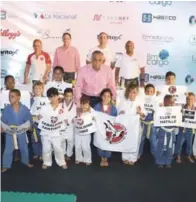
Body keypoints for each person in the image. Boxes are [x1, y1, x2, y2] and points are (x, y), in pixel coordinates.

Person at [1, 89, 33, 172]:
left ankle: (26, 161)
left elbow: (29, 119)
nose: (10, 98)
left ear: (18, 97)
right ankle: (6, 165)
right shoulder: (7, 108)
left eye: (12, 96)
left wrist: (30, 126)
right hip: (9, 132)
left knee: (24, 147)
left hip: (21, 130)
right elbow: (3, 120)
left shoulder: (24, 108)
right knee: (8, 148)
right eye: (9, 96)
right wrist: (1, 127)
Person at [118, 84, 147, 165]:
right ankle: (125, 157)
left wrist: (140, 112)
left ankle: (133, 158)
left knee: (135, 142)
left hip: (136, 127)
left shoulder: (140, 102)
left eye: (134, 92)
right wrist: (121, 112)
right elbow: (119, 112)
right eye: (130, 92)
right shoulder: (123, 102)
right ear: (127, 92)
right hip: (126, 127)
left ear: (137, 93)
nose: (132, 94)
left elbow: (144, 115)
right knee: (125, 141)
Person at [39, 87, 67, 169]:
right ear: (48, 98)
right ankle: (46, 162)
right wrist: (39, 117)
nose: (53, 98)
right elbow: (40, 117)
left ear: (58, 96)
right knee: (46, 148)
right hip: (46, 131)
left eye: (54, 96)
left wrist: (64, 123)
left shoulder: (62, 108)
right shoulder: (44, 108)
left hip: (57, 131)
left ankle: (61, 162)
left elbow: (65, 119)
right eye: (51, 97)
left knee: (58, 148)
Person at [94, 88, 117, 167]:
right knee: (100, 142)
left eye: (108, 96)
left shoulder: (113, 108)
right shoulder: (97, 106)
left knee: (108, 143)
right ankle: (101, 157)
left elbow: (115, 119)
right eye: (104, 96)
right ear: (101, 97)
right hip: (99, 129)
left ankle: (106, 158)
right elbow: (94, 117)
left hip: (109, 129)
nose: (106, 98)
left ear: (110, 97)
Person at [155, 95, 179, 168]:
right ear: (164, 102)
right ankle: (160, 161)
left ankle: (168, 161)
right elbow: (156, 120)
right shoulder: (160, 110)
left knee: (170, 148)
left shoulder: (176, 111)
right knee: (160, 147)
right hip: (162, 131)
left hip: (171, 132)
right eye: (168, 102)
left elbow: (178, 122)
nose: (170, 103)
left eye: (172, 102)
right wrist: (159, 109)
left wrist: (178, 124)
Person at [73, 96, 96, 165]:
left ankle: (88, 159)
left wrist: (94, 119)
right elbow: (74, 119)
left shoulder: (92, 111)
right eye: (82, 104)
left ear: (89, 104)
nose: (84, 106)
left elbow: (95, 119)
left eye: (86, 104)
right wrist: (74, 119)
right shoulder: (78, 110)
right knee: (77, 146)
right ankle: (78, 158)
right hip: (78, 132)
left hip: (86, 132)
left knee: (86, 146)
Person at [30, 81, 49, 160]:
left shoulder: (46, 100)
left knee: (43, 139)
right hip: (33, 122)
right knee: (34, 138)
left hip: (43, 123)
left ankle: (42, 153)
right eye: (35, 88)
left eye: (39, 88)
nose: (37, 90)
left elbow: (49, 110)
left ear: (42, 89)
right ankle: (36, 152)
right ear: (33, 90)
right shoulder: (30, 100)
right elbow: (28, 111)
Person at [175, 93, 195, 163]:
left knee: (189, 143)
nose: (190, 100)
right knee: (179, 143)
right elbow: (177, 116)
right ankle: (178, 156)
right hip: (182, 128)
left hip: (190, 129)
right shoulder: (182, 108)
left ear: (194, 100)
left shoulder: (195, 109)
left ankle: (188, 155)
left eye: (191, 99)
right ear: (186, 100)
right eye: (188, 99)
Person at [139, 84, 158, 159]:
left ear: (153, 93)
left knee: (153, 141)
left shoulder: (156, 101)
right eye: (147, 91)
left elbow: (158, 113)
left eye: (151, 92)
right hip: (142, 123)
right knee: (140, 140)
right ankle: (139, 153)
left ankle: (155, 154)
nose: (149, 93)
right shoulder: (141, 100)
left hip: (151, 124)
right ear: (144, 92)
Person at [61, 88, 76, 160]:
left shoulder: (75, 105)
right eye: (66, 96)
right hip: (62, 124)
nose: (68, 98)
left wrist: (73, 119)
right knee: (62, 140)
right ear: (64, 96)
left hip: (71, 125)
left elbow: (77, 115)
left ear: (72, 96)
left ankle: (69, 154)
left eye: (70, 96)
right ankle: (63, 153)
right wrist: (63, 119)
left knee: (70, 140)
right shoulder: (60, 104)